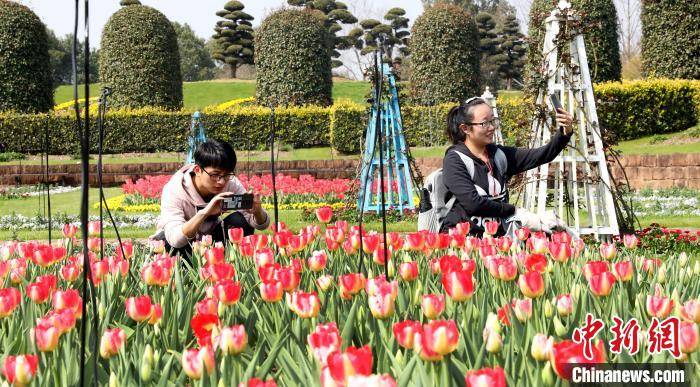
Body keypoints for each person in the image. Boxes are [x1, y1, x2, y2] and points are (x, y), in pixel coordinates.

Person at [440, 97, 574, 236]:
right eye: (484, 123)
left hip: (498, 238)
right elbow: (473, 204)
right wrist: (513, 210)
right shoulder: (455, 160)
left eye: (492, 121)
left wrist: (565, 132)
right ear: (465, 128)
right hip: (462, 239)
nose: (491, 127)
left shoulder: (499, 155)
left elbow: (542, 155)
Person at [151, 139, 270, 259]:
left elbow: (260, 224)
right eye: (215, 175)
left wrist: (257, 211)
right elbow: (175, 239)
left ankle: (223, 263)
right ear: (198, 170)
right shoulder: (175, 190)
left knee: (239, 220)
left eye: (227, 175)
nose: (221, 181)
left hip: (210, 239)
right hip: (177, 245)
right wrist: (205, 212)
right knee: (174, 241)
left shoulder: (231, 183)